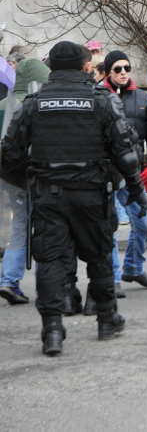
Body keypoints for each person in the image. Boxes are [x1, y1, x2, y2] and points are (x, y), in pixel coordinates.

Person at [1, 41, 147, 355]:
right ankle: (106, 320)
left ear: (51, 66)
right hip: (92, 193)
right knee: (99, 257)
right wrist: (136, 190)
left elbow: (9, 156)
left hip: (48, 196)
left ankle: (52, 330)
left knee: (51, 260)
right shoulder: (103, 101)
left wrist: (31, 180)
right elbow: (126, 151)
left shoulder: (34, 102)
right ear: (85, 66)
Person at [102, 51, 147, 290]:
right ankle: (113, 278)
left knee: (143, 224)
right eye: (117, 69)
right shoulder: (99, 97)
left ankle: (134, 268)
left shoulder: (143, 99)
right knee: (108, 227)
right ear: (108, 72)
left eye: (126, 67)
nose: (123, 72)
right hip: (106, 174)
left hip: (134, 174)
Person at [0, 58, 50, 305]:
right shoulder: (39, 105)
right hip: (37, 175)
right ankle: (45, 286)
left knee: (17, 228)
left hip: (10, 177)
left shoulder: (3, 104)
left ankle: (9, 282)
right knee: (44, 228)